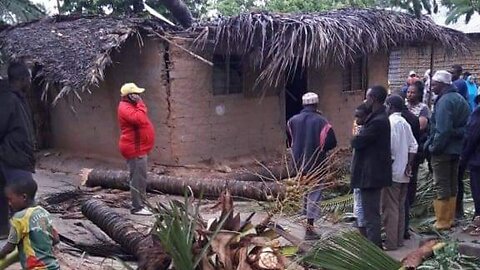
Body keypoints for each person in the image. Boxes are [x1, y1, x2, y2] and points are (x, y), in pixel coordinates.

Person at [287, 92, 337, 240]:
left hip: (298, 163)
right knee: (314, 194)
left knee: (305, 191)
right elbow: (331, 143)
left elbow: (290, 137)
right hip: (316, 163)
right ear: (316, 104)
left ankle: (305, 218)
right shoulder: (322, 122)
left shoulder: (292, 120)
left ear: (303, 104)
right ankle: (309, 228)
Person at [425, 70, 470, 230]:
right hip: (456, 149)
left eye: (435, 85)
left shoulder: (445, 101)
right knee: (452, 184)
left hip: (443, 150)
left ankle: (442, 221)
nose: (432, 88)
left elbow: (442, 130)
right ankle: (450, 218)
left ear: (443, 85)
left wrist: (433, 148)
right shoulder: (460, 99)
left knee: (442, 184)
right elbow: (465, 128)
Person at [351, 85, 391, 247]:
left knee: (371, 215)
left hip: (371, 175)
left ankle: (374, 250)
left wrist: (356, 134)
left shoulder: (378, 121)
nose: (365, 101)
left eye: (367, 97)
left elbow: (357, 142)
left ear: (373, 99)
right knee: (369, 214)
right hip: (371, 173)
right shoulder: (376, 118)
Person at [0, 62, 36, 239]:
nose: (30, 82)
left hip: (16, 157)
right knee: (24, 198)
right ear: (22, 79)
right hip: (13, 158)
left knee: (6, 196)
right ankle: (31, 239)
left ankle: (5, 232)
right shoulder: (8, 99)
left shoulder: (17, 98)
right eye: (29, 78)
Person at [0, 172, 60, 270]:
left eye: (11, 199)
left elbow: (10, 247)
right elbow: (56, 239)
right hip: (53, 267)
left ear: (23, 197)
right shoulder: (43, 212)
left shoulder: (19, 218)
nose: (9, 204)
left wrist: (1, 255)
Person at [382, 95, 418, 250]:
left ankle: (391, 243)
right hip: (404, 172)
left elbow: (390, 149)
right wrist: (409, 164)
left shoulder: (391, 122)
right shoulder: (405, 122)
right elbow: (414, 145)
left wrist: (387, 169)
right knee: (401, 207)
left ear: (390, 106)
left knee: (390, 208)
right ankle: (398, 240)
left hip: (393, 172)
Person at [117, 83, 155, 216]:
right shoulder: (125, 108)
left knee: (141, 177)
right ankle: (137, 207)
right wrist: (141, 104)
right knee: (137, 179)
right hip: (134, 149)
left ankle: (142, 204)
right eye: (136, 94)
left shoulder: (131, 106)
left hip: (139, 148)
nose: (139, 96)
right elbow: (140, 119)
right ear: (130, 96)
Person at [404, 80, 430, 238]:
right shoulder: (404, 107)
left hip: (415, 147)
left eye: (412, 92)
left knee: (411, 176)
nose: (409, 95)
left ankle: (410, 202)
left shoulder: (423, 108)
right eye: (408, 92)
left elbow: (421, 126)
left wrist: (405, 126)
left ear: (419, 94)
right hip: (403, 145)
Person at [351, 103, 371, 236]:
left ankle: (362, 231)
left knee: (360, 203)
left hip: (362, 172)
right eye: (355, 116)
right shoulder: (359, 128)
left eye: (359, 116)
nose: (357, 119)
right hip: (358, 170)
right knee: (359, 202)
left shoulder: (367, 131)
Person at [461, 95, 480, 220]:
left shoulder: (478, 114)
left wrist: (464, 157)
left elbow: (471, 137)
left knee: (478, 190)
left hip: (478, 160)